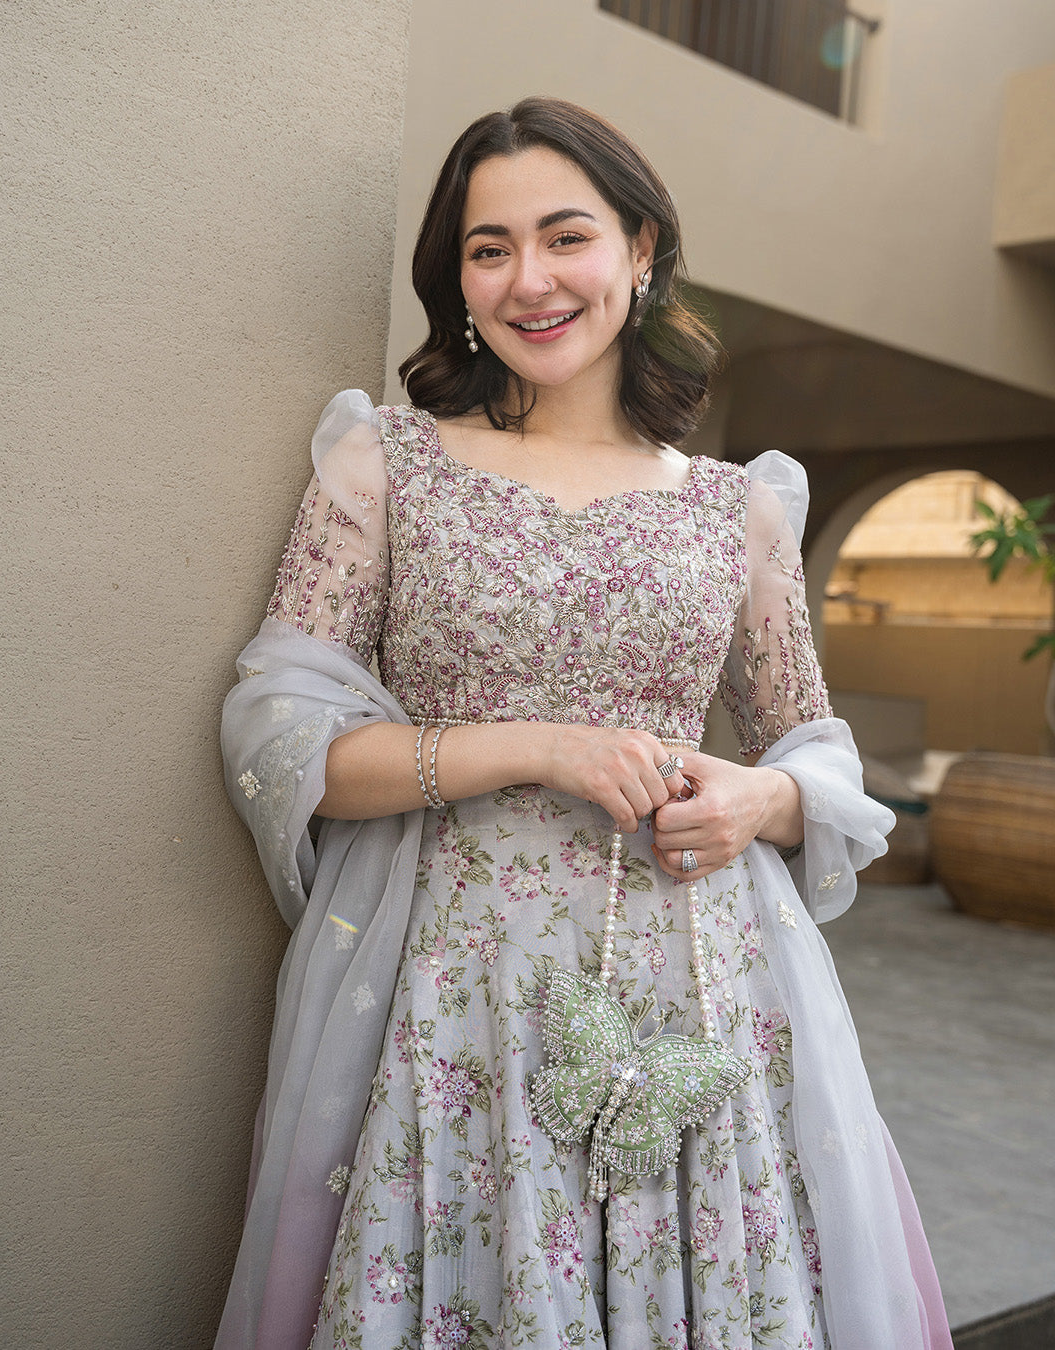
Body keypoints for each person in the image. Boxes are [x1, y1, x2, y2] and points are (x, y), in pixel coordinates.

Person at [217, 97, 952, 1350]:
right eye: (488, 248)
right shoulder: (386, 465)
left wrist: (761, 798)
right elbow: (284, 742)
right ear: (457, 280)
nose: (530, 280)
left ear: (641, 249)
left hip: (695, 986)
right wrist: (538, 747)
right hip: (459, 990)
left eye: (566, 237)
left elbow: (813, 750)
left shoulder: (739, 510)